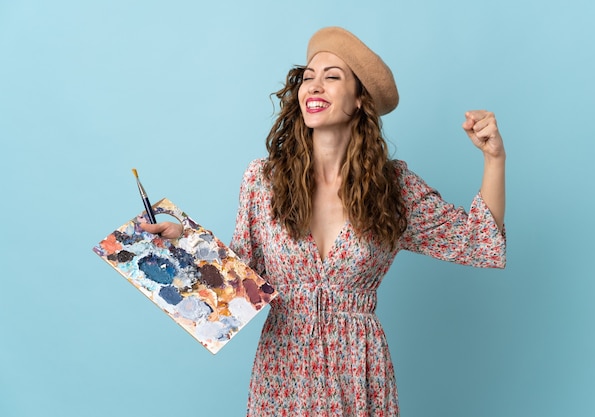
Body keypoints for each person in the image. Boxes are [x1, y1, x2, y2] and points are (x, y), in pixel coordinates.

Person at [143, 26, 506, 417]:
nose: (313, 87)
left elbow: (479, 242)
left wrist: (494, 160)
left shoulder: (392, 186)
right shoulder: (263, 181)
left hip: (359, 368)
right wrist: (186, 241)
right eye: (307, 78)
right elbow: (241, 283)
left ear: (360, 100)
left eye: (332, 77)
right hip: (283, 368)